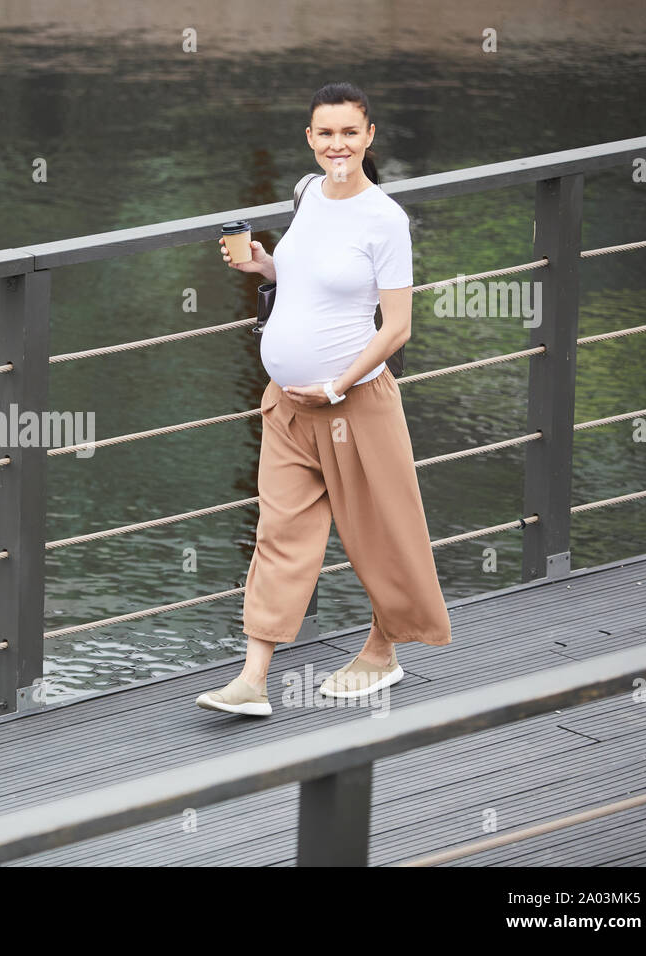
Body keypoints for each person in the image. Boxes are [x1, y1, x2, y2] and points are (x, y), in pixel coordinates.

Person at [197, 82, 453, 717]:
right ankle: (253, 679)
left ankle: (382, 651)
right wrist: (265, 266)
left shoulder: (385, 220)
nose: (337, 144)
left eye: (349, 133)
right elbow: (311, 277)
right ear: (310, 140)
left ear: (369, 139)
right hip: (286, 407)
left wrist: (339, 383)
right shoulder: (308, 194)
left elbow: (397, 327)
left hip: (353, 408)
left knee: (380, 535)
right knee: (279, 535)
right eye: (325, 133)